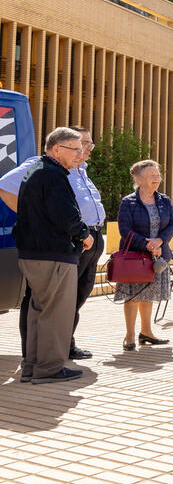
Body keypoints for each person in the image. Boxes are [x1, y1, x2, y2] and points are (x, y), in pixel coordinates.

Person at [0, 126, 106, 362]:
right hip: (66, 241)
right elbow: (5, 185)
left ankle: (65, 345)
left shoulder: (79, 170)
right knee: (47, 302)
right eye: (81, 145)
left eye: (87, 145)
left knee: (74, 299)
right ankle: (38, 356)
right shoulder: (43, 167)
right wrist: (35, 218)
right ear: (60, 148)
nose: (87, 150)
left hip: (89, 239)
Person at [15, 127, 93, 384]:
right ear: (57, 149)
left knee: (39, 311)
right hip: (53, 256)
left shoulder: (36, 172)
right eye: (75, 149)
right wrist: (84, 235)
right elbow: (65, 214)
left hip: (34, 253)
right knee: (56, 314)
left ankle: (32, 367)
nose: (80, 155)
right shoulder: (54, 175)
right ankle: (49, 368)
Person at [115, 160, 173, 351]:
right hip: (135, 256)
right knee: (133, 295)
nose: (157, 179)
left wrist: (161, 241)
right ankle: (130, 335)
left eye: (158, 175)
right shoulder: (128, 202)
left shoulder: (164, 200)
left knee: (148, 295)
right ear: (139, 179)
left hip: (158, 256)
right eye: (152, 176)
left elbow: (172, 223)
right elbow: (125, 229)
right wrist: (148, 244)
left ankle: (147, 332)